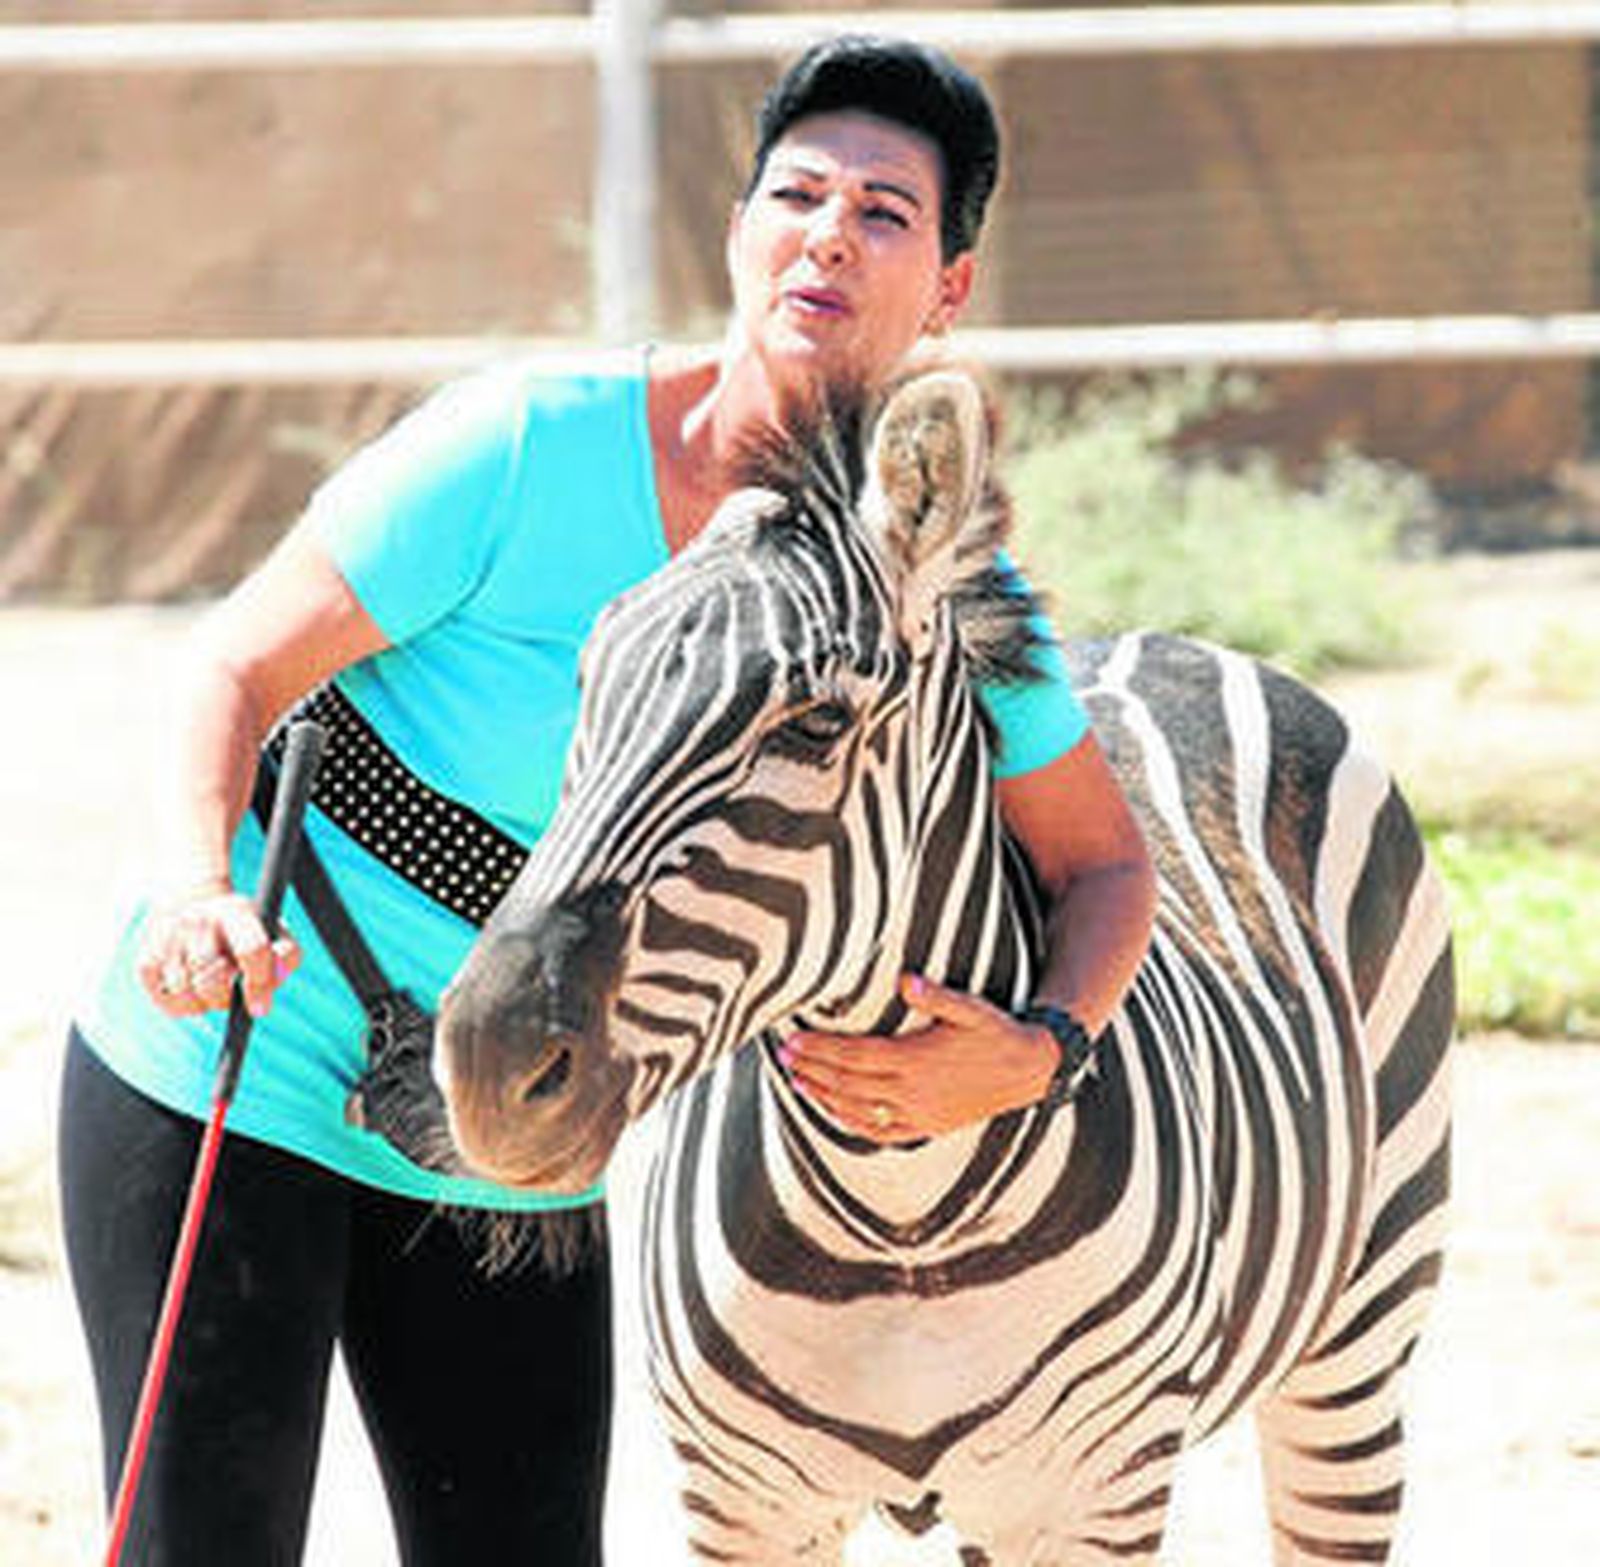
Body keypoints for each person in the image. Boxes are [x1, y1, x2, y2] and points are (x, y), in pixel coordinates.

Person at [58, 32, 1157, 1566]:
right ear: (740, 229)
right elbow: (234, 668)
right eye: (798, 195)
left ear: (950, 288)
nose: (830, 236)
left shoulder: (939, 598)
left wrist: (1039, 1051)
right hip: (240, 1061)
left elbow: (1107, 865)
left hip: (528, 1116)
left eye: (885, 213)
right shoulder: (526, 447)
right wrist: (197, 888)